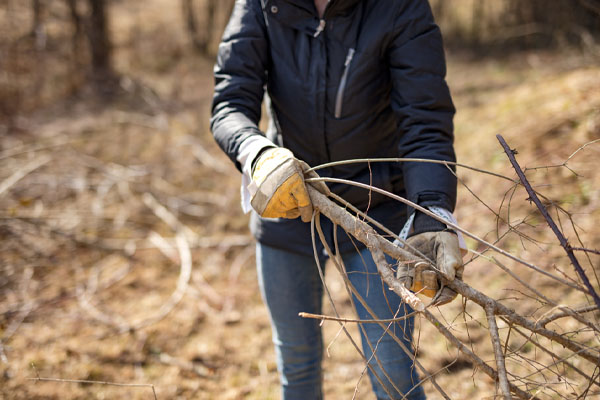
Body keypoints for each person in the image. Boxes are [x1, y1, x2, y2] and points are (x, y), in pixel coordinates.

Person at [210, 0, 464, 398]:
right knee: (296, 364)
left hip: (378, 210)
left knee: (392, 370)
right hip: (287, 202)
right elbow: (230, 103)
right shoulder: (261, 5)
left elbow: (424, 120)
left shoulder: (400, 7)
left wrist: (432, 213)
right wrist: (257, 153)